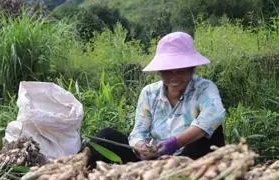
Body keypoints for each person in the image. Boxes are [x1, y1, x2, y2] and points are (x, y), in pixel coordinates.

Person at [86, 31, 226, 168]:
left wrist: (175, 143)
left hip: (189, 160)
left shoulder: (204, 88)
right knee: (105, 136)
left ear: (192, 68)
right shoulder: (149, 93)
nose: (174, 76)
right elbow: (138, 131)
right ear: (159, 70)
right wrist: (141, 146)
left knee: (211, 132)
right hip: (152, 162)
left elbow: (214, 114)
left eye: (181, 70)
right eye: (167, 70)